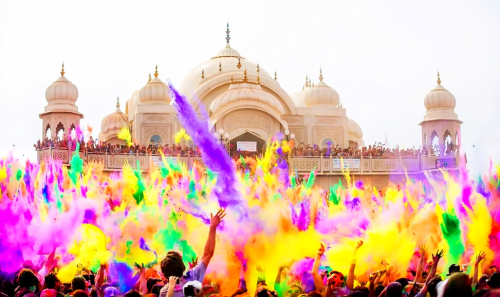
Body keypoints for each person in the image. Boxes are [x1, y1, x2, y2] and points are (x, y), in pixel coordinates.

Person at [159, 209, 226, 297]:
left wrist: (171, 288)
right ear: (182, 265)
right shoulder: (192, 276)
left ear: (165, 275)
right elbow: (208, 253)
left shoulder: (164, 292)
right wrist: (212, 227)